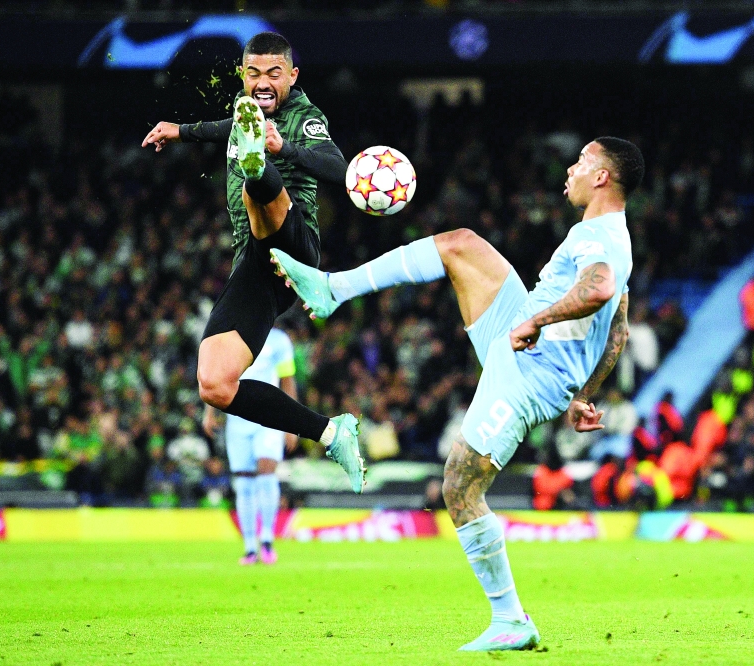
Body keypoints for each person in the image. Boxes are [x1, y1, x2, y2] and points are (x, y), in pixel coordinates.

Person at [272, 137, 643, 651]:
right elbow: (617, 329)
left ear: (602, 177)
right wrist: (586, 392)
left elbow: (599, 290)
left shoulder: (601, 240)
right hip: (521, 336)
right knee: (460, 243)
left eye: (582, 162)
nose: (571, 169)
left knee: (459, 488)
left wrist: (538, 322)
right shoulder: (610, 235)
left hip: (530, 369)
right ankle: (332, 289)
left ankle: (511, 620)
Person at [141, 32, 364, 492]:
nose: (264, 81)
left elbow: (341, 171)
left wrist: (281, 148)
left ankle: (258, 168)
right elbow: (223, 126)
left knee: (253, 182)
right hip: (259, 267)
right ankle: (331, 431)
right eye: (255, 73)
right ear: (244, 75)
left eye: (274, 74)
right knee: (214, 383)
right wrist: (179, 130)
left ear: (292, 76)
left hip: (297, 249)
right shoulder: (244, 116)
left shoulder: (305, 117)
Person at [206, 327, 299, 565]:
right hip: (236, 420)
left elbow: (287, 380)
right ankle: (249, 547)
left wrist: (292, 422)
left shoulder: (279, 340)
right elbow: (214, 375)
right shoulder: (230, 338)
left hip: (268, 417)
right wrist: (209, 411)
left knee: (267, 470)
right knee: (244, 482)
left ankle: (267, 540)